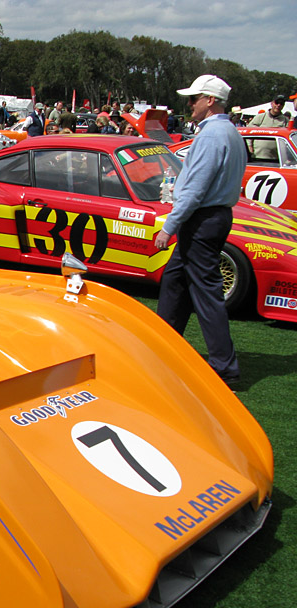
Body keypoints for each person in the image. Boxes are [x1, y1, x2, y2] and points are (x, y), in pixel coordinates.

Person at [153, 75, 245, 387]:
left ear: (210, 100)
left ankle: (224, 367)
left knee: (205, 293)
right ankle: (164, 349)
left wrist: (169, 226)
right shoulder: (229, 131)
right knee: (175, 282)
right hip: (214, 216)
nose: (189, 105)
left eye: (193, 99)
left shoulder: (211, 135)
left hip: (202, 219)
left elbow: (193, 189)